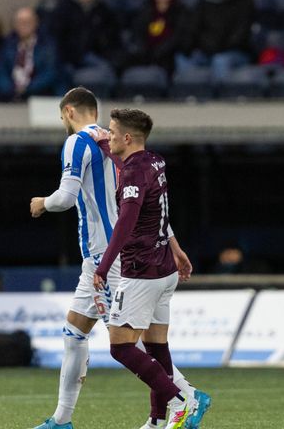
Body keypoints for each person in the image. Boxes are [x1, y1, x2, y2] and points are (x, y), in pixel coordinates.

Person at [29, 87, 208, 429]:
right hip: (104, 256)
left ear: (68, 112)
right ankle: (62, 419)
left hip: (110, 256)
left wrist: (42, 202)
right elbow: (145, 203)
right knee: (74, 331)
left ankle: (186, 396)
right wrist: (172, 242)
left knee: (127, 343)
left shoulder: (77, 142)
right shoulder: (112, 142)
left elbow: (67, 197)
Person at [91, 108, 208, 429]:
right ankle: (157, 421)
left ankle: (182, 401)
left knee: (121, 347)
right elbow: (155, 208)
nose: (109, 136)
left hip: (141, 270)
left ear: (128, 138)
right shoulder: (155, 161)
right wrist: (177, 248)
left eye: (112, 133)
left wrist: (104, 265)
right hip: (165, 269)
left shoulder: (133, 174)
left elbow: (127, 221)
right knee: (157, 348)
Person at [49, 0, 124, 97]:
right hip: (70, 59)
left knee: (107, 73)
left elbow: (113, 38)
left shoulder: (103, 10)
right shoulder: (64, 9)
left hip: (98, 56)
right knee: (106, 73)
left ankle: (104, 101)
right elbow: (57, 39)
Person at [174, 0, 255, 81]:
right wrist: (191, 48)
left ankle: (223, 93)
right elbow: (193, 30)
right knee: (182, 58)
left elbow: (239, 37)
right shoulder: (204, 4)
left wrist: (216, 49)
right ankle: (188, 93)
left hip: (235, 51)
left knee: (220, 60)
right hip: (207, 50)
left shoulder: (245, 3)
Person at [0, 7, 61, 101]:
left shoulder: (47, 44)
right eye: (20, 22)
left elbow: (50, 72)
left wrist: (27, 89)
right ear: (14, 25)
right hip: (10, 95)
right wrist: (10, 89)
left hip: (39, 94)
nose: (24, 25)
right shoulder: (7, 44)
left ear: (36, 23)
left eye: (28, 21)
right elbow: (0, 70)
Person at [129, 0, 191, 74]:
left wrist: (159, 51)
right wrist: (144, 50)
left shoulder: (180, 11)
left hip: (170, 57)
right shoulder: (146, 8)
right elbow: (137, 33)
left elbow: (178, 36)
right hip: (145, 55)